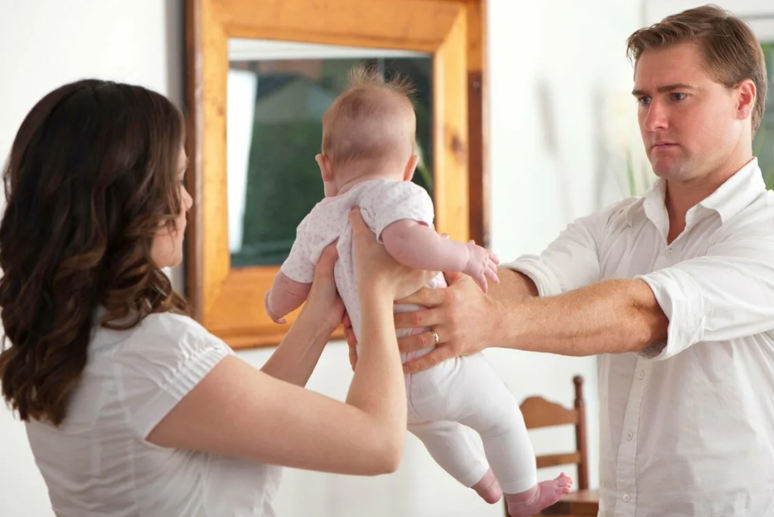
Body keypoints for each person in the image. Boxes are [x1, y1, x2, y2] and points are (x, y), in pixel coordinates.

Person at [348, 5, 774, 516]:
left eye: (677, 96)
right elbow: (527, 284)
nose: (653, 119)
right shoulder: (614, 225)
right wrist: (410, 311)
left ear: (742, 100)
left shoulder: (766, 230)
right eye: (644, 98)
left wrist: (485, 324)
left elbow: (645, 313)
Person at [0, 79, 432, 516]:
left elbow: (247, 413)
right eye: (174, 179)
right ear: (126, 196)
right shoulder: (150, 351)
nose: (187, 199)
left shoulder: (72, 336)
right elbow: (378, 443)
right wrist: (375, 289)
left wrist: (320, 309)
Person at [265, 67, 572, 516]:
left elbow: (289, 288)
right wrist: (464, 257)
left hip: (380, 381)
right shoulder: (400, 195)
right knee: (502, 414)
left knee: (435, 429)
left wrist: (276, 307)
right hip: (438, 363)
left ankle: (483, 481)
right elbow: (406, 241)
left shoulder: (317, 221)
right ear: (410, 166)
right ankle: (523, 497)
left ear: (324, 166)